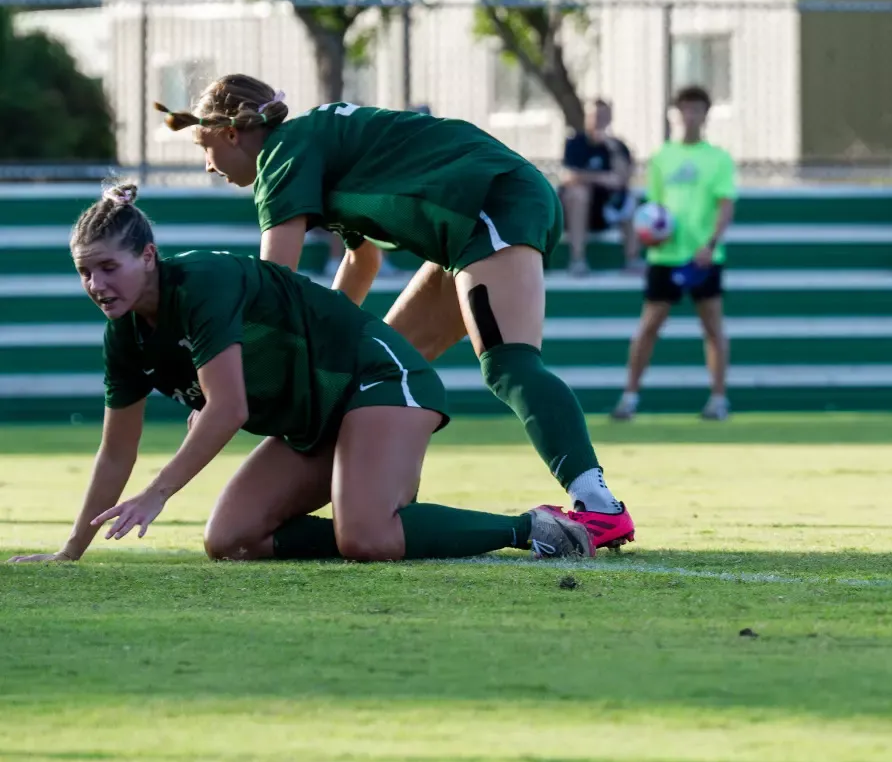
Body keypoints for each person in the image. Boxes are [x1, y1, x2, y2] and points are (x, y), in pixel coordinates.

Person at [155, 77, 635, 551]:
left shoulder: (283, 153)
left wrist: (228, 382)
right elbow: (362, 261)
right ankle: (390, 504)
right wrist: (330, 354)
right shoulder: (308, 145)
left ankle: (599, 507)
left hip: (490, 204)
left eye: (206, 148)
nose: (209, 165)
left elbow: (271, 287)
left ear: (231, 134)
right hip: (478, 212)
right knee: (376, 375)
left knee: (509, 365)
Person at [9, 184, 595, 565]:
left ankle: (531, 528)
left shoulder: (200, 285)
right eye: (85, 273)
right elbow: (116, 451)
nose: (96, 285)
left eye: (107, 267)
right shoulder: (123, 337)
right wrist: (71, 550)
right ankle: (390, 522)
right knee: (231, 540)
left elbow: (228, 408)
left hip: (379, 378)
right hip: (319, 416)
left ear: (147, 256)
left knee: (367, 538)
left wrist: (158, 492)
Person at [618, 86, 736, 423]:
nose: (690, 115)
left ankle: (718, 399)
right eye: (685, 108)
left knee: (712, 327)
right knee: (648, 327)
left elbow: (725, 205)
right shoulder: (662, 157)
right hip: (665, 257)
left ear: (706, 114)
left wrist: (710, 245)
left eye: (697, 109)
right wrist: (650, 238)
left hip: (703, 257)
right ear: (677, 113)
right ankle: (629, 397)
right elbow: (652, 209)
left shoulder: (719, 159)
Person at [559, 99, 639, 278]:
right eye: (595, 116)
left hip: (607, 209)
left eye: (603, 116)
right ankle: (577, 260)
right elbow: (568, 176)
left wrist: (612, 149)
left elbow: (622, 179)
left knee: (629, 198)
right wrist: (601, 178)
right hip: (576, 212)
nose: (598, 120)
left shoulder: (617, 146)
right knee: (579, 194)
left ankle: (633, 259)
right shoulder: (575, 143)